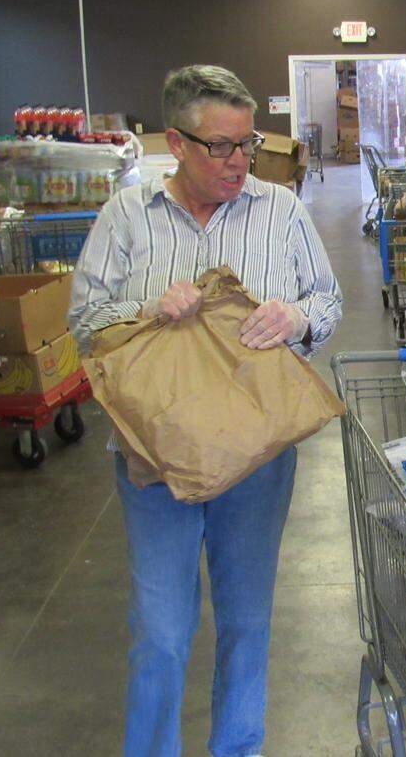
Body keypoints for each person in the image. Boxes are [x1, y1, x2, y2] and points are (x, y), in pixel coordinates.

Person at [67, 65, 342, 757]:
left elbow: (329, 302)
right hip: (155, 463)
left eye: (247, 143)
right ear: (176, 142)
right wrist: (146, 310)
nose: (238, 161)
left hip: (256, 459)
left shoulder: (280, 211)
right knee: (160, 630)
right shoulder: (126, 218)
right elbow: (83, 322)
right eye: (220, 146)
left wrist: (297, 315)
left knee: (247, 623)